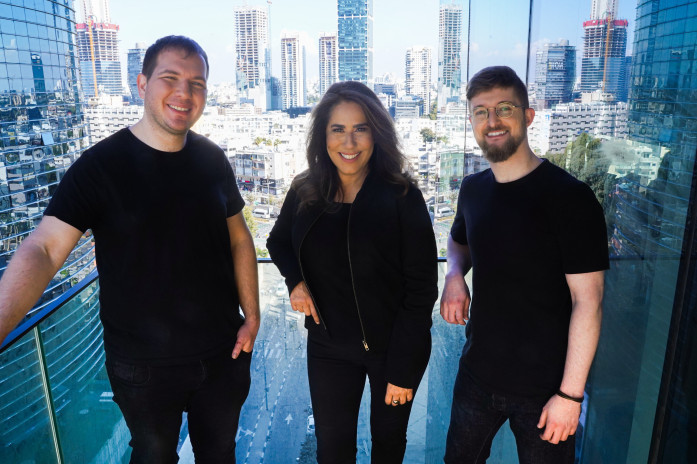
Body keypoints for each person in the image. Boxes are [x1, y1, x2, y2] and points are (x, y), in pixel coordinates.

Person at [0, 36, 260, 463]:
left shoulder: (213, 159)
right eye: (170, 78)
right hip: (142, 366)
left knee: (220, 454)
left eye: (197, 83)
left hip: (221, 353)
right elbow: (44, 248)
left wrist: (252, 316)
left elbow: (239, 237)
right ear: (141, 84)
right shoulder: (99, 166)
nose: (184, 92)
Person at [440, 66, 609, 464]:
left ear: (528, 116)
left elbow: (589, 302)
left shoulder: (571, 198)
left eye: (505, 108)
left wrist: (570, 396)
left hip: (546, 391)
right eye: (481, 112)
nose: (492, 121)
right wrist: (453, 275)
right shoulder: (473, 189)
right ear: (471, 121)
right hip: (477, 374)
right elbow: (458, 240)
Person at [266, 81, 438, 463]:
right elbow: (277, 242)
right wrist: (295, 282)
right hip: (328, 346)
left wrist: (403, 369)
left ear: (376, 134)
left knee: (388, 447)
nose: (349, 142)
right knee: (332, 450)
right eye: (338, 129)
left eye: (360, 128)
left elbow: (422, 290)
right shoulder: (306, 190)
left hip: (392, 349)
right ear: (323, 135)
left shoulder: (402, 196)